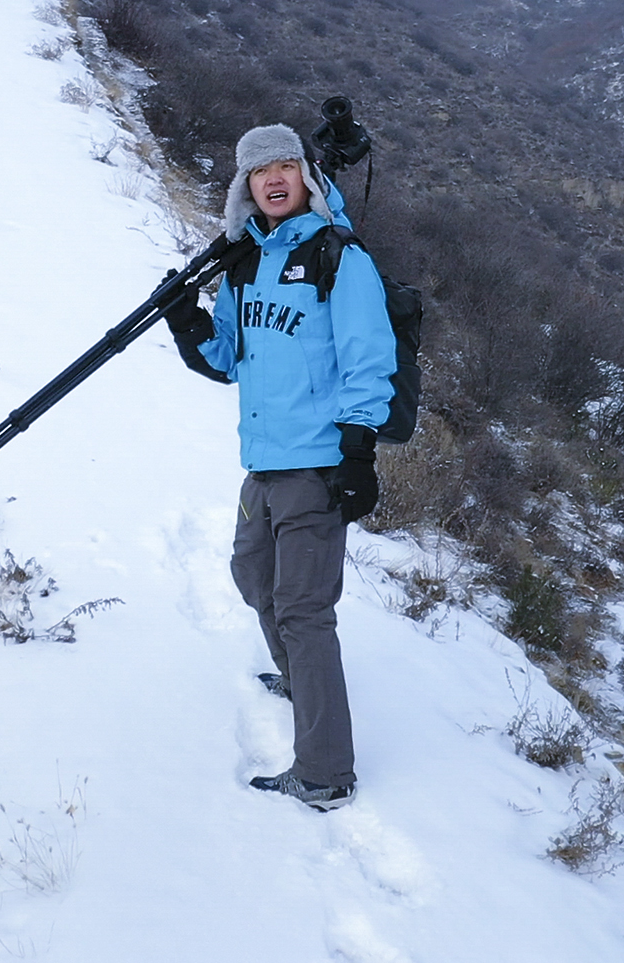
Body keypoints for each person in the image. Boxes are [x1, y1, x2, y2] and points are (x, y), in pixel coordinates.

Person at [162, 122, 396, 811]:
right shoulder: (245, 263)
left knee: (303, 610)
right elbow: (228, 358)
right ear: (245, 187)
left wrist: (358, 452)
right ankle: (299, 678)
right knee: (252, 573)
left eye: (286, 165)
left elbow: (368, 358)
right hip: (264, 460)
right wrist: (189, 324)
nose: (272, 178)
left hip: (318, 464)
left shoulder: (338, 258)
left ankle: (325, 772)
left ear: (306, 177)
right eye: (259, 170)